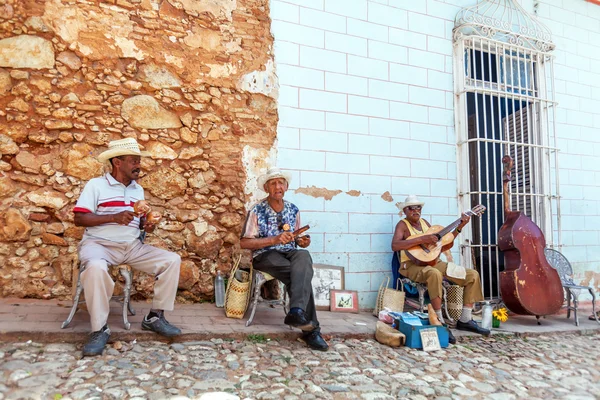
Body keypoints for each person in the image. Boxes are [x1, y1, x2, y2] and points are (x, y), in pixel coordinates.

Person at [73, 138, 182, 356]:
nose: (138, 165)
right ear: (117, 162)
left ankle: (154, 317)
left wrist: (148, 225)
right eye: (133, 161)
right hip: (99, 244)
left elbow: (140, 225)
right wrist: (113, 217)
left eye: (138, 161)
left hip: (132, 246)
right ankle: (99, 329)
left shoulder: (137, 190)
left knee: (172, 261)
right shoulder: (96, 185)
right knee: (95, 268)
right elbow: (79, 219)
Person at [240, 167, 328, 351]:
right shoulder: (257, 210)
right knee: (301, 276)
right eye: (273, 183)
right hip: (265, 255)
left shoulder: (293, 210)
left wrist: (301, 241)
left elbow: (295, 240)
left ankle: (296, 312)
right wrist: (273, 239)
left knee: (303, 256)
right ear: (266, 188)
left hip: (288, 253)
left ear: (286, 187)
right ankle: (311, 331)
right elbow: (244, 243)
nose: (277, 186)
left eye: (281, 183)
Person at [391, 195, 490, 344]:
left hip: (433, 262)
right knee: (434, 274)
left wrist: (460, 225)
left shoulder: (425, 224)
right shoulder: (402, 225)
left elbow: (444, 243)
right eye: (411, 208)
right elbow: (395, 245)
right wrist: (422, 239)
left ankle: (465, 319)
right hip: (411, 266)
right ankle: (438, 320)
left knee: (472, 275)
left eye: (418, 207)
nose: (415, 210)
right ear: (405, 210)